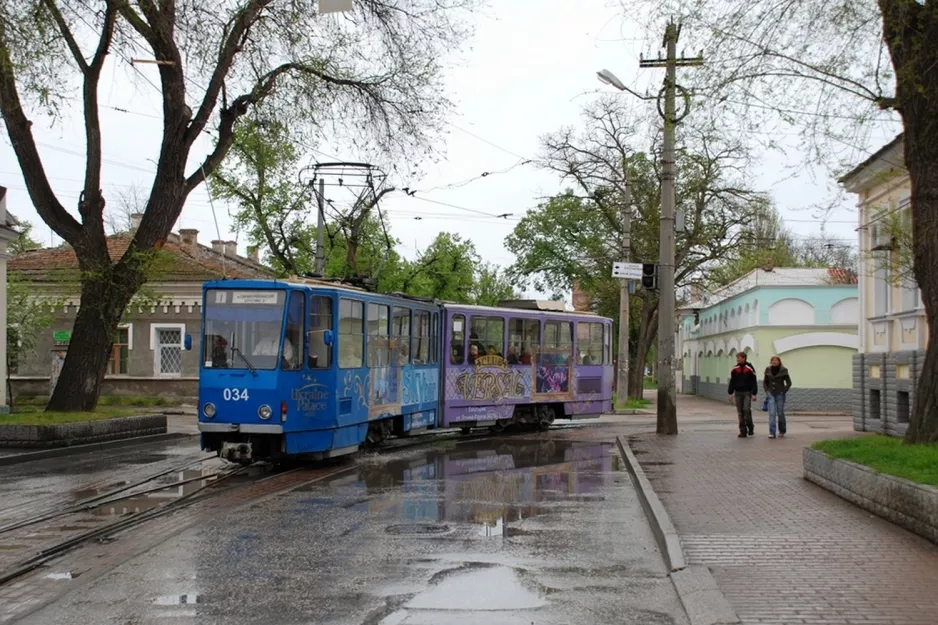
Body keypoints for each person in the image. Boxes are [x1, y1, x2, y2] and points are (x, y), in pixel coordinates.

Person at [727, 352, 758, 438]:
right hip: (738, 393)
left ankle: (750, 426)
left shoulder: (750, 369)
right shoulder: (734, 369)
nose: (738, 359)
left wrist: (754, 393)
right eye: (737, 358)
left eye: (739, 358)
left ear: (744, 358)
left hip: (747, 392)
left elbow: (753, 382)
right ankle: (743, 431)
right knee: (740, 412)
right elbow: (732, 381)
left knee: (746, 410)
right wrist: (730, 393)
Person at [763, 355, 792, 439]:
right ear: (771, 361)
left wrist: (784, 390)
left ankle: (782, 431)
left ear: (779, 361)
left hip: (780, 394)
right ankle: (772, 432)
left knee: (780, 413)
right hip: (771, 393)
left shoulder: (783, 370)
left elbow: (789, 383)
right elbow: (765, 382)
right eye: (773, 360)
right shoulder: (768, 370)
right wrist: (767, 391)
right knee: (772, 413)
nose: (774, 362)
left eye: (776, 360)